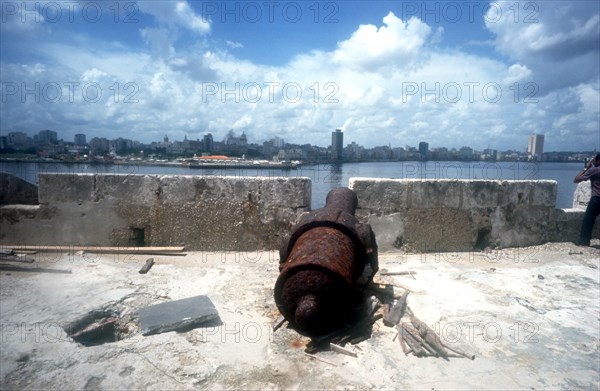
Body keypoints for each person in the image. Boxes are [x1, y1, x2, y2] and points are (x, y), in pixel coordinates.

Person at [574, 153, 600, 246]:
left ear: (597, 160)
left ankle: (584, 242)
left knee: (588, 221)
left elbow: (576, 179)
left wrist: (586, 168)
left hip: (597, 199)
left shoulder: (595, 169)